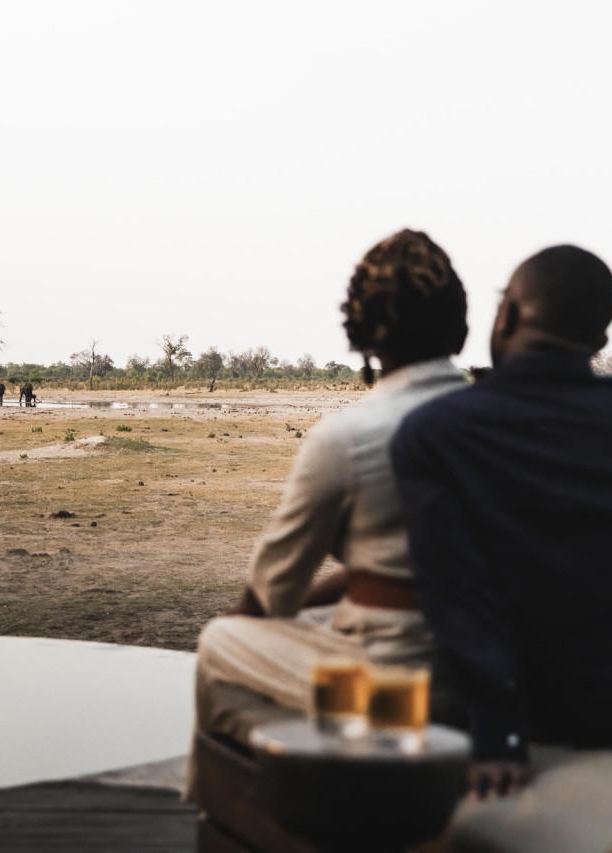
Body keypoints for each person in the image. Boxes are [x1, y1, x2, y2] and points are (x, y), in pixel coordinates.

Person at [391, 245, 612, 800]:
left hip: (553, 705)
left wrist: (501, 731)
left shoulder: (435, 432)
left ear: (507, 315)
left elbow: (459, 593)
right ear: (600, 342)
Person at [191, 229, 469, 751]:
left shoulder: (350, 435)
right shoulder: (504, 423)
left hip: (402, 688)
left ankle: (251, 801)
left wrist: (247, 619)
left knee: (221, 641)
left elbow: (269, 595)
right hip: (490, 674)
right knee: (320, 618)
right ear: (460, 328)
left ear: (365, 335)